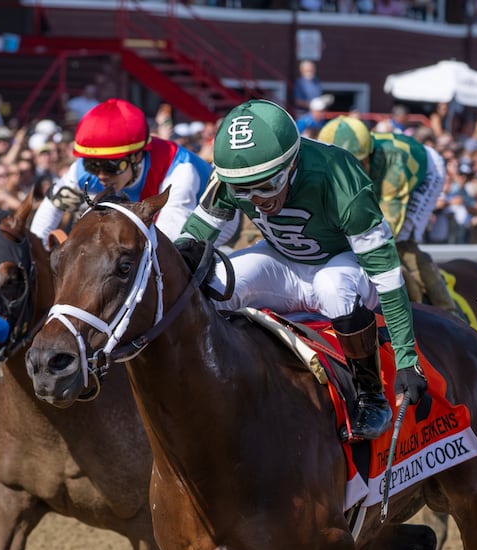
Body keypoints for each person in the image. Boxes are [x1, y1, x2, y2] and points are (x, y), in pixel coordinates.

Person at [173, 99, 426, 441]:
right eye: (244, 190)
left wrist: (407, 359)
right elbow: (192, 238)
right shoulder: (233, 175)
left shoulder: (338, 176)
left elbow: (387, 276)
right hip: (280, 259)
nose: (256, 199)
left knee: (333, 287)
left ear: (292, 163)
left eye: (266, 185)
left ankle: (370, 394)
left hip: (343, 264)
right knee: (215, 284)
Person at [316, 115, 460, 316]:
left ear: (368, 155)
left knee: (402, 242)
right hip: (385, 172)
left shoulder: (393, 165)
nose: (349, 175)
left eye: (355, 165)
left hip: (426, 172)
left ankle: (448, 310)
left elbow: (389, 227)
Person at [30, 99, 212, 245]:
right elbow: (48, 213)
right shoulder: (84, 168)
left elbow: (168, 243)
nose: (101, 175)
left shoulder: (179, 172)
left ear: (137, 157)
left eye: (111, 166)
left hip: (213, 230)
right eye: (93, 165)